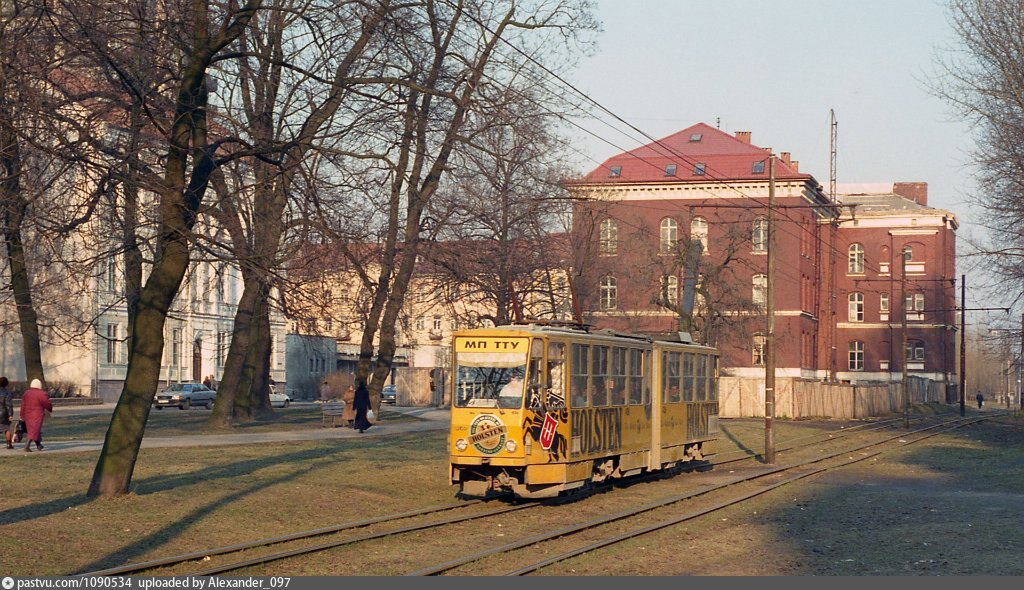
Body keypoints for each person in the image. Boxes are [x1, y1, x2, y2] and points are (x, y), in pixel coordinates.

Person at [20, 378, 52, 452]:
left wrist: (22, 415)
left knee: (33, 430)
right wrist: (50, 408)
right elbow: (46, 403)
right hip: (37, 414)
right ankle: (27, 446)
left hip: (27, 414)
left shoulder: (26, 393)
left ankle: (38, 445)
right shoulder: (41, 393)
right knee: (34, 430)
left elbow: (23, 405)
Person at [1, 376, 13, 449]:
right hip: (4, 414)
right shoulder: (7, 393)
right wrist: (10, 414)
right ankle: (9, 444)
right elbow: (9, 405)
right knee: (7, 429)